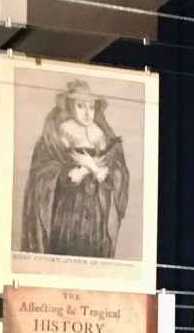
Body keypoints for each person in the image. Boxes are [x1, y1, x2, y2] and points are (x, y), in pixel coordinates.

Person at [19, 80, 130, 260]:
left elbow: (119, 174)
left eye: (91, 107)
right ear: (71, 106)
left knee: (95, 251)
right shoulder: (55, 138)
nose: (87, 113)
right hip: (67, 211)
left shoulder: (104, 137)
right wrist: (79, 172)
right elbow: (41, 175)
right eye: (80, 106)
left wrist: (94, 168)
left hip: (96, 212)